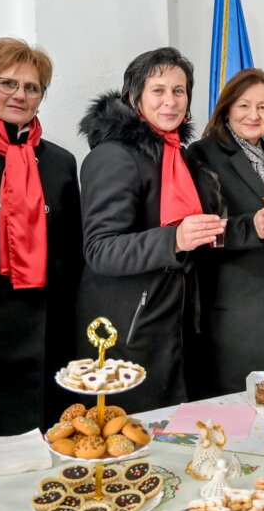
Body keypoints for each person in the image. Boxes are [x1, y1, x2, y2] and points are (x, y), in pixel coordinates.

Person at [76, 47, 224, 412]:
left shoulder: (175, 154)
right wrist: (174, 238)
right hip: (129, 332)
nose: (170, 101)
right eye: (158, 90)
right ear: (134, 97)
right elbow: (100, 250)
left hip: (172, 324)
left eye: (179, 91)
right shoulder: (113, 156)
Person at [0, 38, 83, 435]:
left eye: (32, 87)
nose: (20, 95)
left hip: (48, 328)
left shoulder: (60, 161)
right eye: (8, 83)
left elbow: (73, 253)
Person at [185, 69, 264, 397]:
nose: (254, 115)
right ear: (227, 108)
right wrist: (251, 227)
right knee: (232, 413)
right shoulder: (202, 154)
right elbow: (203, 227)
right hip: (229, 309)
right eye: (244, 105)